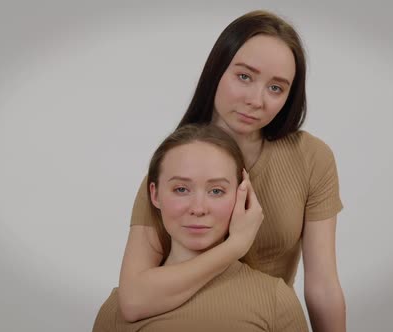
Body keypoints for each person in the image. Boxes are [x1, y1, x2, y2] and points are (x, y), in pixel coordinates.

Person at [118, 10, 345, 331]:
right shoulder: (174, 168)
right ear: (216, 71)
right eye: (244, 77)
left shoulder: (311, 158)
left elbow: (322, 285)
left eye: (276, 88)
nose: (256, 100)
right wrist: (235, 247)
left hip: (267, 321)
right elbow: (134, 300)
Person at [93, 124, 309, 331]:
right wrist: (235, 245)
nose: (198, 208)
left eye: (216, 191)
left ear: (242, 195)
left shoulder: (276, 300)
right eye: (181, 189)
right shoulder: (117, 309)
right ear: (155, 195)